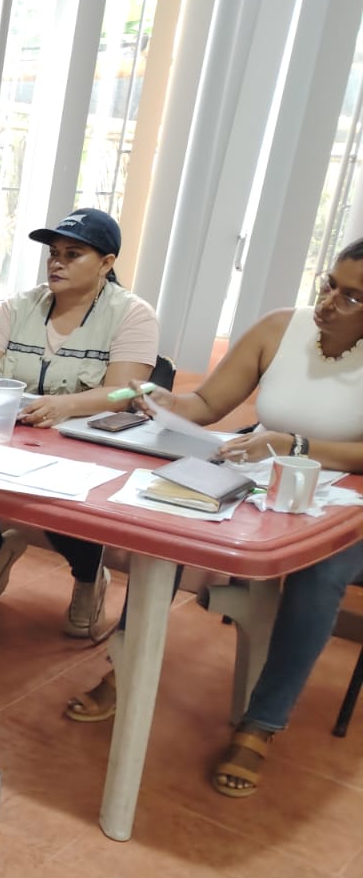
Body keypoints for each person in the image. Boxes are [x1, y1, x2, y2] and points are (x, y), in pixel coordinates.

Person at [69, 239, 363, 796]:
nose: (329, 302)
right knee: (169, 518)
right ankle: (126, 669)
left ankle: (261, 723)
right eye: (330, 284)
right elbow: (206, 406)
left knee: (322, 574)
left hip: (348, 498)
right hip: (264, 471)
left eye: (352, 297)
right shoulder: (280, 327)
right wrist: (163, 401)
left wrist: (298, 444)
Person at [0, 208, 158, 636]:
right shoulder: (20, 306)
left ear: (106, 263)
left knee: (58, 506)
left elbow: (124, 391)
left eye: (72, 254)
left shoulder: (132, 314)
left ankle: (89, 577)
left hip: (85, 446)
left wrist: (66, 406)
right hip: (12, 434)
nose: (56, 263)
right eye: (53, 254)